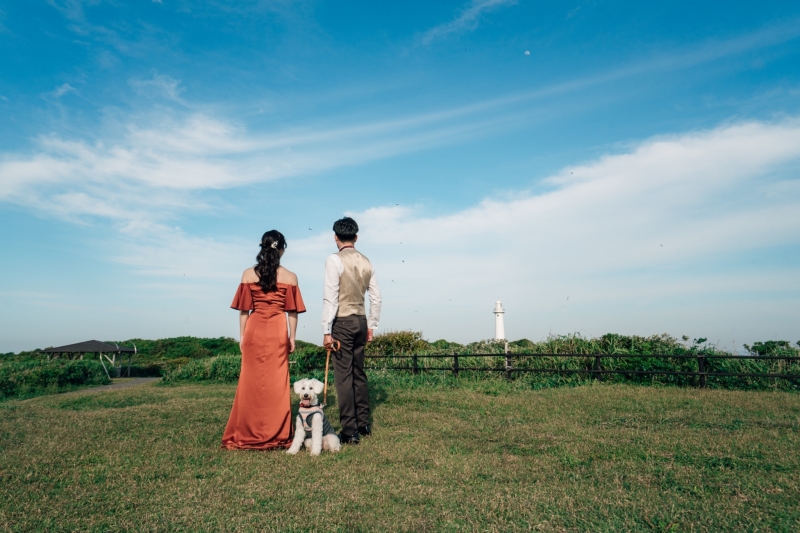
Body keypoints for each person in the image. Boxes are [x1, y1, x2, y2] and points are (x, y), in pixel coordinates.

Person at [221, 230, 306, 450]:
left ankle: (248, 430)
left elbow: (243, 310)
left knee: (250, 382)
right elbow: (292, 313)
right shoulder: (291, 277)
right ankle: (276, 432)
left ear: (262, 247)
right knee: (278, 383)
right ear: (281, 249)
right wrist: (292, 337)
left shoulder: (248, 274)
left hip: (254, 328)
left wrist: (242, 336)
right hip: (278, 329)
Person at [322, 217, 382, 445]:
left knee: (344, 376)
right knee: (359, 373)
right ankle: (364, 423)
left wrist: (327, 330)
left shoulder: (333, 260)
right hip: (361, 320)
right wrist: (372, 325)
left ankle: (349, 431)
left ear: (335, 237)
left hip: (343, 323)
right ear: (356, 237)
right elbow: (376, 297)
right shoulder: (367, 262)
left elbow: (330, 298)